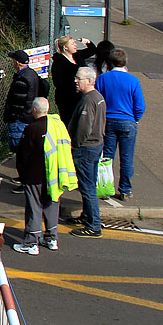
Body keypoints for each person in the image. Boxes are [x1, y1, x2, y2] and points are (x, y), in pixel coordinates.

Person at [95, 48, 146, 202]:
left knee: (107, 156)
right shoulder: (133, 80)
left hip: (108, 121)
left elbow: (98, 100)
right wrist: (135, 119)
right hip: (128, 121)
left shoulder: (103, 78)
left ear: (109, 62)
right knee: (126, 158)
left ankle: (106, 187)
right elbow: (140, 106)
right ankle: (125, 190)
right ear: (125, 62)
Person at [13, 99, 59, 255]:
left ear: (34, 110)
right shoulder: (57, 126)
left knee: (34, 207)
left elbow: (23, 154)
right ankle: (52, 238)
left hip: (34, 175)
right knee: (51, 204)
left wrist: (22, 173)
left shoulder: (31, 129)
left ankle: (32, 242)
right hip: (53, 174)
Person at [67, 65, 106, 237]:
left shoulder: (88, 101)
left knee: (87, 186)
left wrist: (75, 144)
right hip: (96, 146)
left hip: (86, 148)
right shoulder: (98, 98)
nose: (75, 81)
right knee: (88, 184)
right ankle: (88, 215)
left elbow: (84, 127)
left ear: (89, 81)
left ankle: (93, 225)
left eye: (79, 78)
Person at [3, 49, 48, 177]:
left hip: (19, 119)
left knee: (21, 151)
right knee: (27, 150)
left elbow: (17, 101)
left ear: (17, 63)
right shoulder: (32, 74)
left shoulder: (21, 80)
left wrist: (12, 115)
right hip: (29, 117)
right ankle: (26, 177)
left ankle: (24, 178)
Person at [50, 35, 96, 125]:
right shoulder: (58, 63)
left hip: (82, 96)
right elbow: (58, 83)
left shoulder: (77, 56)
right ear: (65, 47)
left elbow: (92, 50)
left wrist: (87, 41)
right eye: (72, 44)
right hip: (67, 100)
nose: (75, 45)